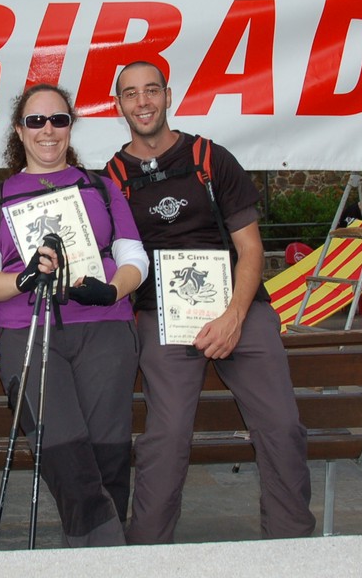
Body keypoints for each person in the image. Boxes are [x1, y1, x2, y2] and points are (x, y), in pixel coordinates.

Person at [107, 61, 315, 543]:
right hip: (162, 314)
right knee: (166, 436)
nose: (143, 102)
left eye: (151, 90)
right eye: (131, 94)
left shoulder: (210, 158)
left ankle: (292, 547)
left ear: (168, 95)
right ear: (119, 105)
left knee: (282, 426)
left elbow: (251, 249)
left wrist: (234, 317)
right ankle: (146, 553)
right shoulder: (113, 178)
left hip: (239, 305)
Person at [0, 83, 147, 548]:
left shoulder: (101, 188)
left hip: (105, 329)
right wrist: (22, 280)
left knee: (109, 459)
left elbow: (135, 259)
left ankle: (88, 560)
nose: (48, 130)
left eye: (58, 119)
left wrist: (112, 290)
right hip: (27, 332)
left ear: (70, 126)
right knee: (66, 458)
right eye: (36, 121)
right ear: (19, 130)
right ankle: (113, 555)